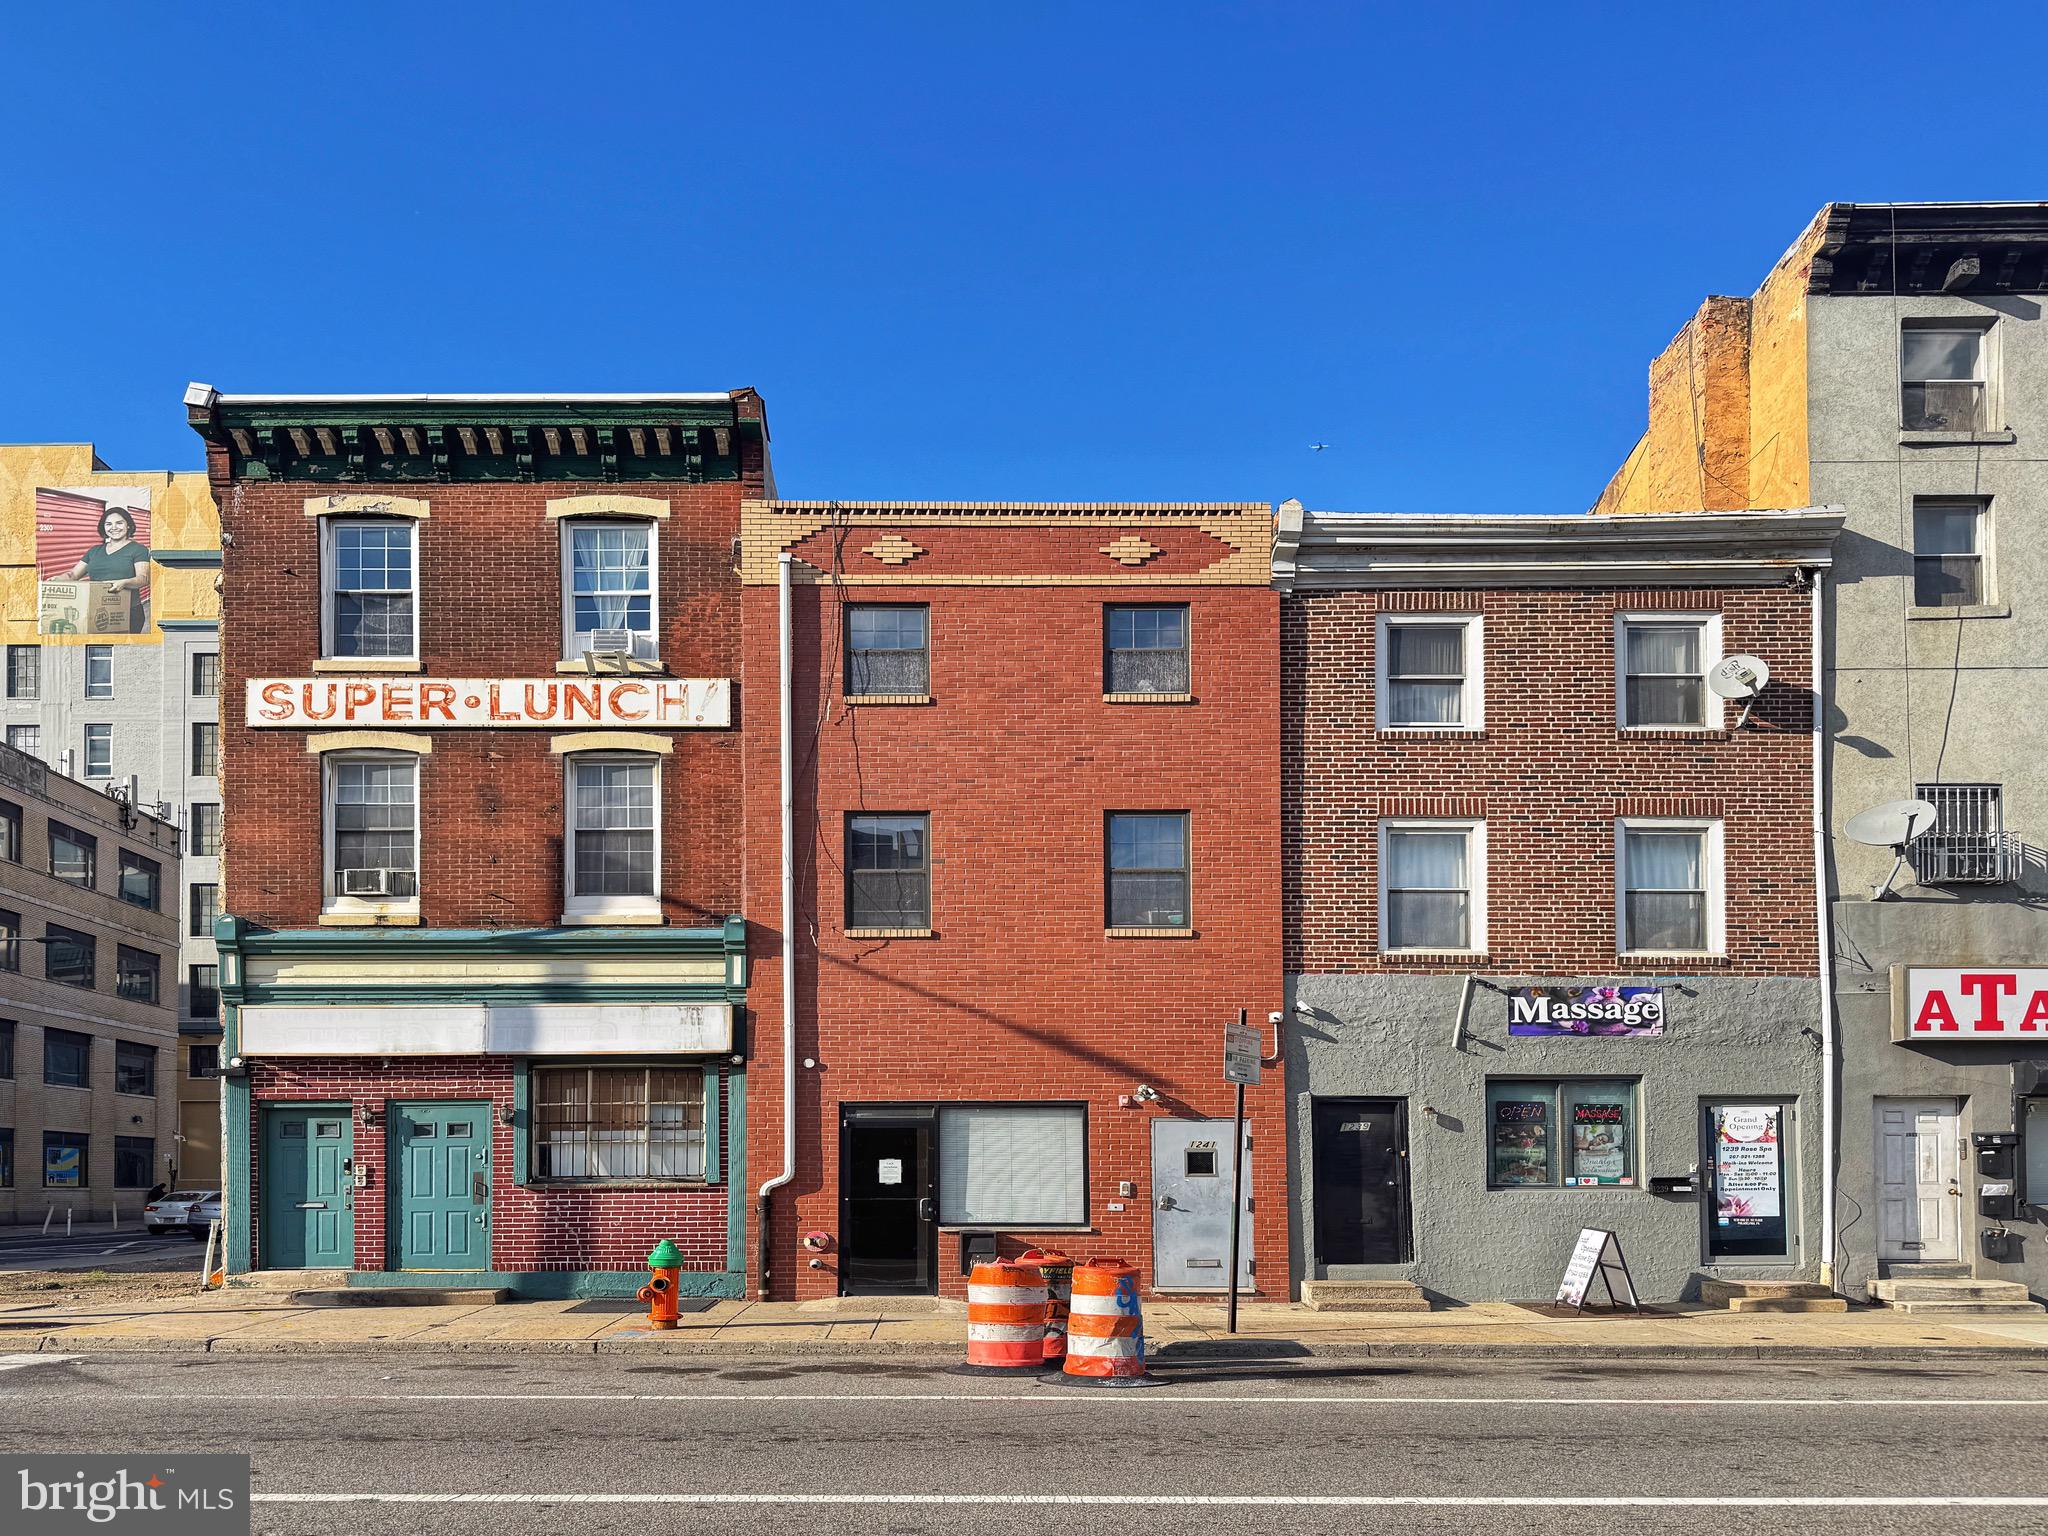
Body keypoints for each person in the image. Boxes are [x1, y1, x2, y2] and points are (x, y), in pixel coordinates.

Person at [61, 504, 151, 632]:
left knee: (123, 649)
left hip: (128, 612)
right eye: (108, 524)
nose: (114, 527)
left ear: (128, 525)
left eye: (119, 523)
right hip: (96, 611)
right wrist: (57, 579)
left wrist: (124, 582)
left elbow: (143, 578)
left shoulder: (138, 549)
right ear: (103, 528)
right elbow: (74, 574)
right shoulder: (94, 551)